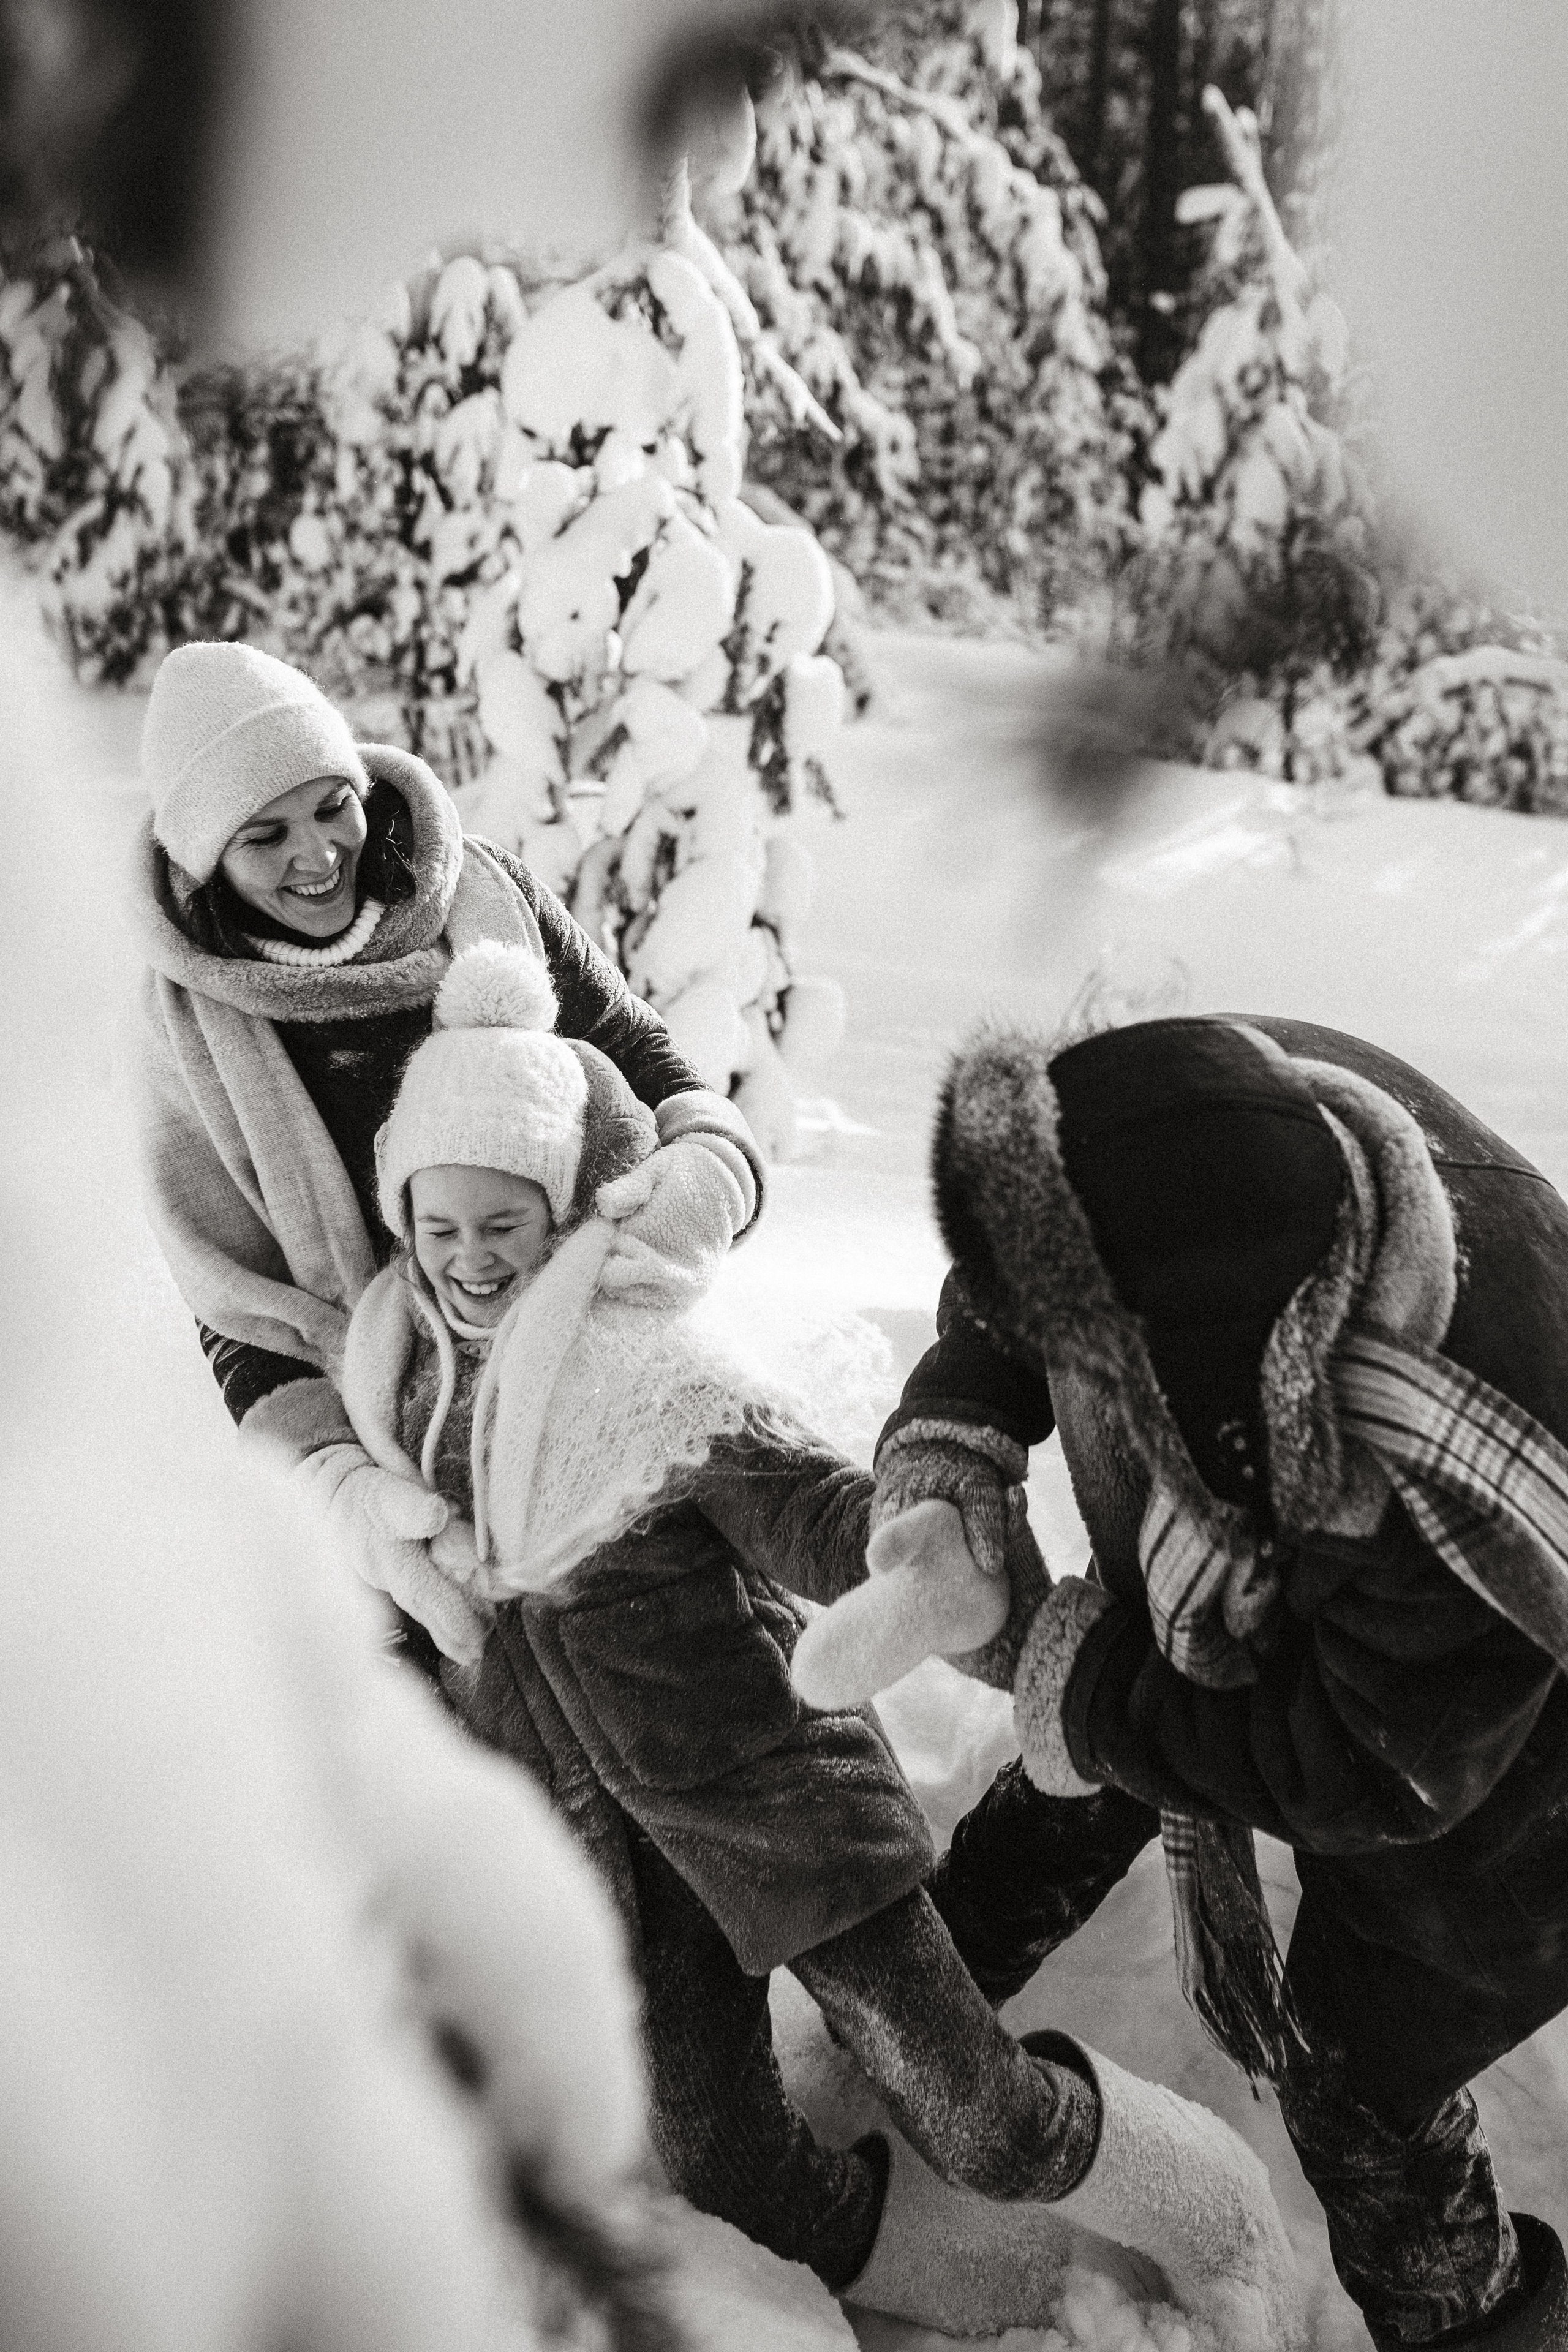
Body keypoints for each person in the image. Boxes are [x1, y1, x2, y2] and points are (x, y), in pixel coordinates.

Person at [332, 940, 1307, 2346]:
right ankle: (981, 2282)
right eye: (441, 1228)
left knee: (978, 2116)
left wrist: (912, 1556)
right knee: (722, 2163)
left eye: (504, 1222)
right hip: (623, 1865)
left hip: (781, 1817)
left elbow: (813, 1509)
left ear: (559, 1213)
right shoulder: (401, 1398)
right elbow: (418, 1628)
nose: (471, 1260)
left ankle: (1201, 2198)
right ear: (403, 1223)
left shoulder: (649, 1377)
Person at [802, 1012, 1568, 2352]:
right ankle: (930, 1992)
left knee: (1358, 2055)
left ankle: (1468, 2310)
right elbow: (1010, 1284)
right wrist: (951, 1443)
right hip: (1264, 1585)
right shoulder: (1203, 1133)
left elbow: (1361, 1769)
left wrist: (1082, 1683)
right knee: (1117, 1712)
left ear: (1202, 1383)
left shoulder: (1455, 1473)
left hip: (1499, 1772)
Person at [130, 639, 762, 1670]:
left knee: (696, 1665)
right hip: (392, 1430)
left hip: (586, 1350)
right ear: (208, 864)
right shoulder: (185, 1035)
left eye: (332, 803)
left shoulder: (482, 894)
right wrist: (339, 1485)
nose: (318, 854)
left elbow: (638, 1054)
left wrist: (709, 1166)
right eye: (264, 835)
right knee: (479, 1740)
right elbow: (233, 1301)